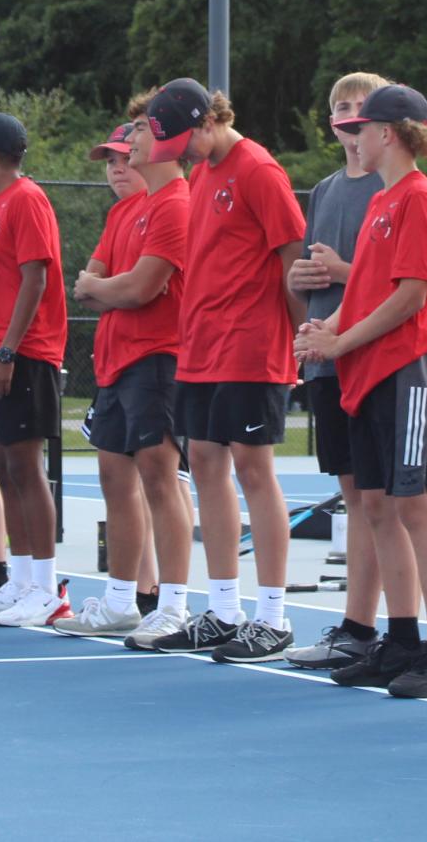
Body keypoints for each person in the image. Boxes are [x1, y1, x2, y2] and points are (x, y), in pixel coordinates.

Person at [295, 84, 427, 699]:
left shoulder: (419, 198)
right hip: (366, 374)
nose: (355, 136)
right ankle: (400, 638)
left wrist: (340, 342)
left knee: (414, 504)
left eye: (364, 128)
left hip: (406, 373)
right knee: (376, 506)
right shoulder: (383, 203)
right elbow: (365, 291)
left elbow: (410, 296)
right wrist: (329, 329)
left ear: (389, 134)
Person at [145, 79, 305, 662]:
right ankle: (223, 609)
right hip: (202, 347)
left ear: (207, 121)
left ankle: (273, 616)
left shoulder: (259, 170)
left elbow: (292, 257)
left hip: (251, 345)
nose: (181, 154)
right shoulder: (203, 173)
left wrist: (298, 341)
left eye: (185, 140)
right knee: (207, 465)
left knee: (253, 471)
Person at [60, 120, 194, 643]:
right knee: (114, 478)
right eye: (113, 157)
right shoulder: (123, 212)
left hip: (158, 359)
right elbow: (86, 285)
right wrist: (110, 286)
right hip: (115, 362)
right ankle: (120, 600)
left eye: (124, 152)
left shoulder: (175, 204)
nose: (119, 163)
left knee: (161, 480)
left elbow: (141, 287)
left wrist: (109, 287)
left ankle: (173, 604)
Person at [284, 71, 397, 671]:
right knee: (354, 497)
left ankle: (386, 627)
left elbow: (404, 284)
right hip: (327, 362)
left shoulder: (395, 183)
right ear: (333, 121)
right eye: (343, 107)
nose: (353, 116)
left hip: (373, 359)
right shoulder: (325, 189)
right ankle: (357, 625)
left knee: (383, 500)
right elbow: (307, 272)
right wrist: (302, 280)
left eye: (364, 106)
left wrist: (342, 272)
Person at [0, 113, 74, 628]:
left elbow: (36, 277)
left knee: (26, 467)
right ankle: (22, 580)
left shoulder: (27, 199)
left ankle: (46, 588)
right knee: (4, 466)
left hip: (23, 353)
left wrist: (7, 352)